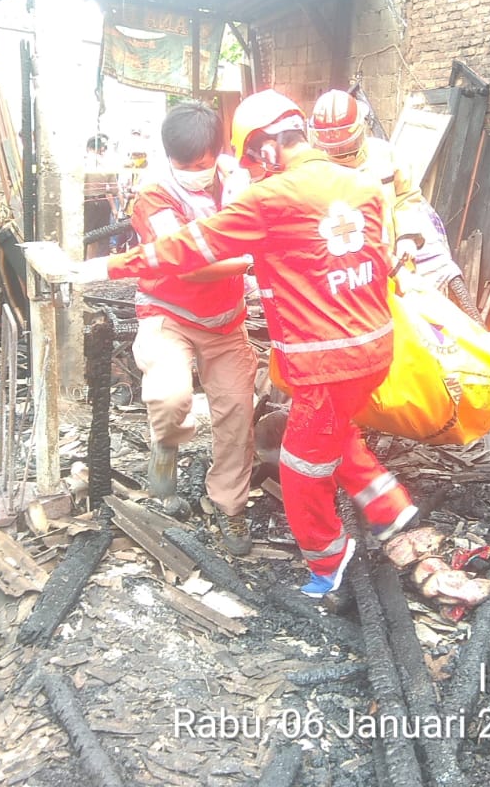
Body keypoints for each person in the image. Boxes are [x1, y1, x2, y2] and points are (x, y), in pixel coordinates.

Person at [73, 90, 419, 599]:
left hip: (320, 357)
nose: (251, 168)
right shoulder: (361, 187)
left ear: (262, 150)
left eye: (250, 158)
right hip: (371, 350)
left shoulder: (266, 197)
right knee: (331, 432)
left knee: (301, 465)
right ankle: (390, 508)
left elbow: (188, 249)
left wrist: (99, 267)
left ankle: (329, 561)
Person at [128, 101, 257, 556]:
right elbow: (186, 266)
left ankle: (230, 506)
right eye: (183, 165)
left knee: (238, 413)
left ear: (216, 154)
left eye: (201, 164)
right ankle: (166, 444)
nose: (193, 172)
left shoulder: (237, 178)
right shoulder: (153, 195)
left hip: (226, 323)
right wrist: (246, 259)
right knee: (169, 395)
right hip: (168, 314)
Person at [309, 89, 482, 322]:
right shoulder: (314, 173)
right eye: (333, 149)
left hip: (398, 262)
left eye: (345, 146)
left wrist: (407, 236)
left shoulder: (384, 155)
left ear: (360, 129)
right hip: (351, 276)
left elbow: (407, 198)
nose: (340, 154)